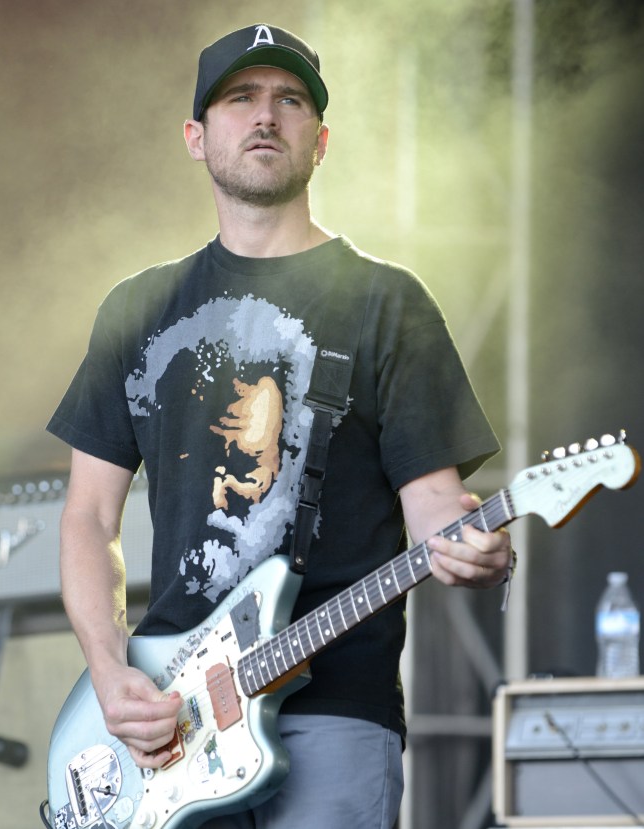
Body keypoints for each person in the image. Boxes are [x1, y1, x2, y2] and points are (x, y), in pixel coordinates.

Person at [47, 22, 514, 829]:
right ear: (197, 136)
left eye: (289, 100)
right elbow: (89, 515)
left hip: (335, 707)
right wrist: (107, 666)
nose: (266, 115)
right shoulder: (138, 308)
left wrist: (473, 539)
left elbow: (434, 502)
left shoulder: (387, 303)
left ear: (321, 140)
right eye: (241, 98)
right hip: (169, 715)